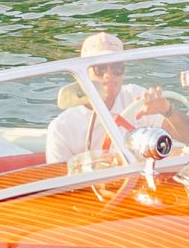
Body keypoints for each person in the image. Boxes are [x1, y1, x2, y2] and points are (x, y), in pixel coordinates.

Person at [44, 32, 181, 167]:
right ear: (82, 74)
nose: (109, 75)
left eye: (117, 68)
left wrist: (167, 110)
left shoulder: (137, 97)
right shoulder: (61, 129)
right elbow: (63, 186)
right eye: (100, 69)